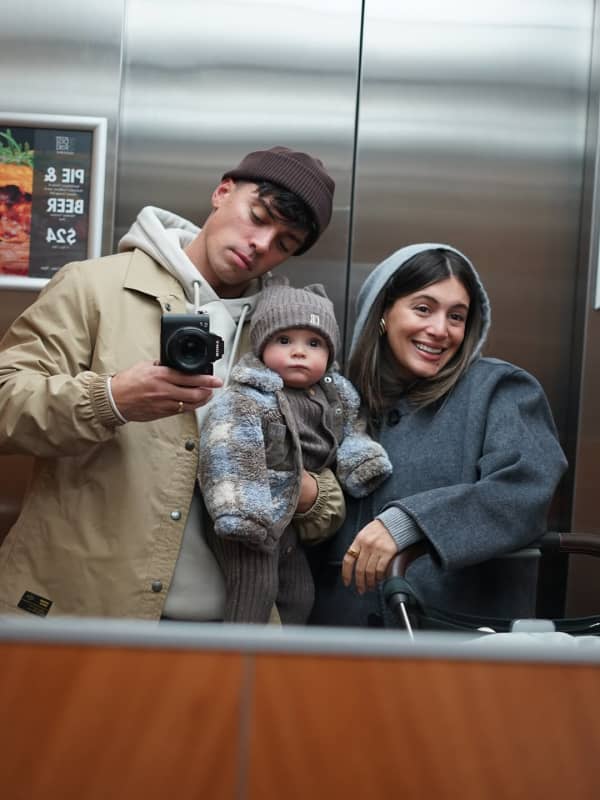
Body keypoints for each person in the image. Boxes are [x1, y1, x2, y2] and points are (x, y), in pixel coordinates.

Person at [0, 145, 344, 621]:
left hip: (230, 631)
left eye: (284, 242)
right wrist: (111, 399)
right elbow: (5, 404)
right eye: (258, 216)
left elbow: (327, 479)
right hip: (82, 611)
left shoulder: (285, 338)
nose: (262, 243)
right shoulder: (94, 287)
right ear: (223, 192)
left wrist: (304, 491)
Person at [309, 243, 568, 628]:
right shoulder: (337, 398)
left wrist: (411, 523)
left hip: (458, 645)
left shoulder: (499, 389)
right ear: (383, 312)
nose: (440, 330)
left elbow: (525, 491)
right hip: (338, 645)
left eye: (457, 316)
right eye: (423, 308)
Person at [198, 282, 392, 623]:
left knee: (299, 594)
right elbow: (228, 449)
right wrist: (243, 510)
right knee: (252, 592)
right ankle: (235, 662)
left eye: (314, 343)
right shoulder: (249, 397)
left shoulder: (336, 395)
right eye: (284, 340)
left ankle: (280, 664)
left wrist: (361, 461)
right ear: (262, 347)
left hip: (291, 523)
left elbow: (352, 430)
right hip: (252, 514)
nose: (299, 352)